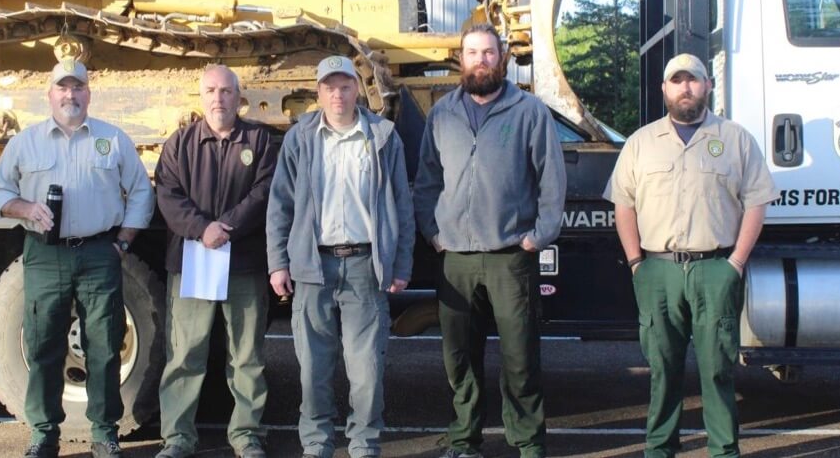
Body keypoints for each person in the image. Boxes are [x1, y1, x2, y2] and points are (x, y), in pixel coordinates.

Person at [604, 53, 779, 458]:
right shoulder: (640, 143)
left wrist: (734, 263)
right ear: (664, 89)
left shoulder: (735, 140)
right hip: (657, 273)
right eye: (677, 81)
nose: (686, 88)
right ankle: (659, 449)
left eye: (694, 80)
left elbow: (756, 202)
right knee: (662, 371)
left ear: (708, 86)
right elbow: (623, 205)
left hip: (714, 269)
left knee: (717, 369)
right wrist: (636, 263)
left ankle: (723, 450)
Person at [0, 59, 155, 458]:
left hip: (100, 252)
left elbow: (142, 192)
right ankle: (43, 434)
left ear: (88, 94)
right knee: (44, 346)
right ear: (50, 95)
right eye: (63, 87)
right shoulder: (25, 142)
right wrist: (25, 208)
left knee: (105, 345)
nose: (70, 95)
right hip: (45, 255)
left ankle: (104, 432)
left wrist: (124, 240)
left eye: (78, 87)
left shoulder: (111, 139)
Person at [413, 23, 567, 458]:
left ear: (502, 59)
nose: (480, 60)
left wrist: (539, 236)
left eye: (488, 53)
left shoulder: (529, 112)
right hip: (456, 258)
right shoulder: (443, 114)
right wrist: (434, 233)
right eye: (472, 53)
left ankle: (528, 443)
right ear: (459, 60)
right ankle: (464, 439)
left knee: (520, 360)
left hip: (509, 258)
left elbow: (552, 182)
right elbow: (426, 181)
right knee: (459, 358)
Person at [266, 55, 415, 458]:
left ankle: (364, 444)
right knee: (313, 368)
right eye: (329, 87)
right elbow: (279, 203)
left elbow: (403, 204)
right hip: (313, 266)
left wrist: (400, 264)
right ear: (319, 92)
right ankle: (316, 444)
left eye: (345, 85)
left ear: (357, 89)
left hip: (366, 267)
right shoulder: (301, 137)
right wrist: (278, 262)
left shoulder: (382, 136)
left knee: (366, 370)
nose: (337, 94)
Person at [153, 65, 277, 458]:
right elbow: (168, 196)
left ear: (238, 97)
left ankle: (246, 434)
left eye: (226, 91)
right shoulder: (181, 143)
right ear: (201, 96)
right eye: (210, 90)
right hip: (193, 262)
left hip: (243, 262)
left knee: (246, 355)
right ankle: (178, 437)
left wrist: (229, 227)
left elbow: (265, 192)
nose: (218, 98)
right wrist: (202, 229)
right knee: (185, 353)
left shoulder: (260, 140)